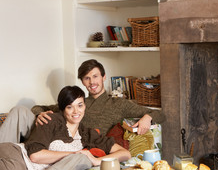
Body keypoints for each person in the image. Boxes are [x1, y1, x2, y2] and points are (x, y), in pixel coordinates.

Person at [0, 86, 131, 170]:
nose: (76, 111)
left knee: (83, 159)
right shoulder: (52, 120)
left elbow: (125, 153)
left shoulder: (87, 134)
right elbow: (35, 156)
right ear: (63, 109)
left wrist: (96, 161)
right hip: (17, 156)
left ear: (84, 106)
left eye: (80, 105)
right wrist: (73, 154)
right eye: (70, 107)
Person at [0, 59, 166, 143]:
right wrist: (40, 113)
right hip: (51, 133)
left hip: (69, 144)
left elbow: (161, 114)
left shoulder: (118, 104)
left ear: (103, 77)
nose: (92, 82)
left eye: (95, 77)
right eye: (87, 78)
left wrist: (147, 117)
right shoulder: (77, 102)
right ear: (83, 81)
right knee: (19, 111)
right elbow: (38, 107)